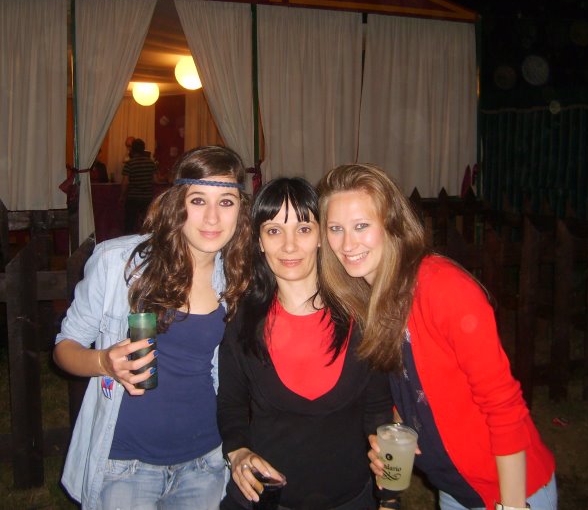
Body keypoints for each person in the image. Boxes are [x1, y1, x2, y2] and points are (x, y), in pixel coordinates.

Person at [317, 164, 557, 510]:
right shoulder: (370, 302)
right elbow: (412, 384)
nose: (347, 243)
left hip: (510, 492)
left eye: (361, 226)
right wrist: (394, 431)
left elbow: (504, 406)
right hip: (455, 490)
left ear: (392, 225)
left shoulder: (441, 287)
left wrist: (513, 504)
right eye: (335, 228)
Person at [54, 146, 252, 510]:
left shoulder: (238, 278)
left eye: (226, 202)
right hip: (124, 465)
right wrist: (103, 362)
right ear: (177, 203)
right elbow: (65, 347)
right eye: (198, 200)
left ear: (240, 210)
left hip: (206, 462)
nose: (212, 217)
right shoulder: (119, 263)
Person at [218, 177, 393, 510]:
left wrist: (389, 496)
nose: (289, 246)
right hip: (265, 500)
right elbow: (231, 405)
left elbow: (378, 410)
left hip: (350, 500)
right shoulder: (242, 321)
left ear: (321, 237)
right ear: (259, 241)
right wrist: (238, 452)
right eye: (273, 231)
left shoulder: (362, 317)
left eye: (303, 229)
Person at [121, 137, 158, 234]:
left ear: (133, 149)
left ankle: (128, 239)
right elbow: (155, 180)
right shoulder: (151, 163)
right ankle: (146, 240)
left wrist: (122, 196)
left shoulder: (130, 163)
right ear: (143, 149)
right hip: (147, 197)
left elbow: (125, 182)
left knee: (129, 223)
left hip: (133, 197)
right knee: (146, 223)